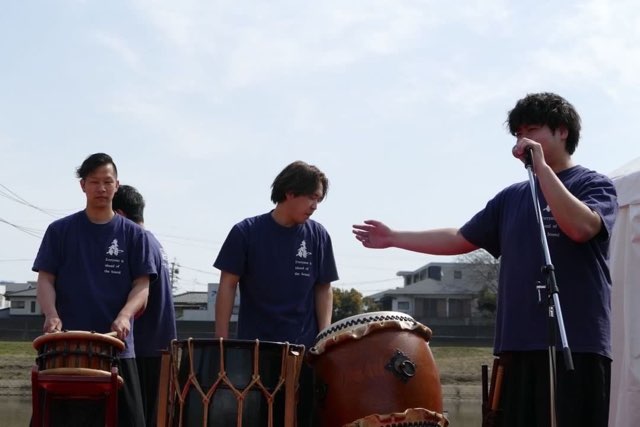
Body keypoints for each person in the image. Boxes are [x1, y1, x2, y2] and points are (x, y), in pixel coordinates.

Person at [353, 92, 618, 427]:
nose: (523, 140)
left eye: (532, 129)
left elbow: (581, 227)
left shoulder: (594, 185)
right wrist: (394, 238)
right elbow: (461, 237)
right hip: (517, 345)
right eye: (518, 133)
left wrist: (541, 170)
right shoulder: (511, 198)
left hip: (576, 345)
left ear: (562, 131)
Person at [33, 153, 156, 427]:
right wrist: (51, 313)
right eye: (94, 182)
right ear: (83, 186)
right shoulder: (60, 230)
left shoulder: (134, 235)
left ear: (117, 185)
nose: (101, 188)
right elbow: (46, 278)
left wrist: (125, 315)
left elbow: (142, 285)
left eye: (107, 182)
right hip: (64, 348)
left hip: (118, 348)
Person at [214, 160, 339, 426]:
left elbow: (324, 288)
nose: (315, 206)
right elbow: (227, 284)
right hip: (256, 351)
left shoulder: (318, 235)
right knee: (257, 418)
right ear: (290, 192)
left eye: (319, 200)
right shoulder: (246, 232)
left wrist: (324, 338)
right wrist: (222, 341)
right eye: (312, 198)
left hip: (304, 352)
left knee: (303, 418)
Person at [113, 184, 177, 427]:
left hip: (144, 348)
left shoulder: (138, 242)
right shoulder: (152, 241)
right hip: (157, 346)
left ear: (119, 215)